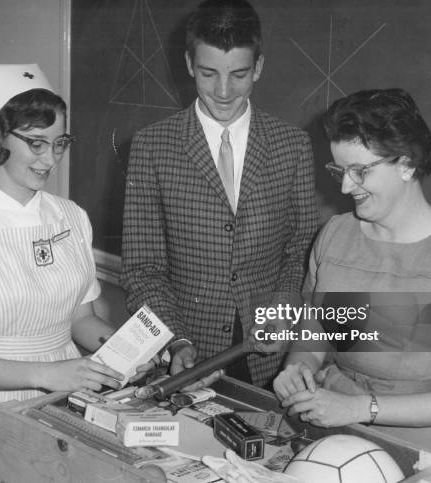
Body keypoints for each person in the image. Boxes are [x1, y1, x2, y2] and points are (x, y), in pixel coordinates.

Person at [0, 64, 148, 481]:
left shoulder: (70, 216)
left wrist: (128, 351)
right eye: (36, 144)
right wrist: (44, 374)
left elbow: (80, 320)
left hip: (62, 394)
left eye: (59, 143)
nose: (51, 159)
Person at [273, 88, 431, 456]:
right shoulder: (335, 234)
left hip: (417, 449)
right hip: (331, 429)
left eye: (359, 171)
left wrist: (362, 407)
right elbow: (315, 328)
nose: (345, 186)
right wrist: (299, 367)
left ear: (406, 164)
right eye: (340, 170)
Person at [121, 0, 319, 388]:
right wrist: (177, 340)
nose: (224, 91)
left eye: (239, 74)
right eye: (209, 74)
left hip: (271, 358)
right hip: (186, 359)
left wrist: (279, 309)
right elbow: (142, 268)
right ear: (189, 65)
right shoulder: (151, 147)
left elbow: (302, 249)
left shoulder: (292, 145)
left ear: (258, 67)